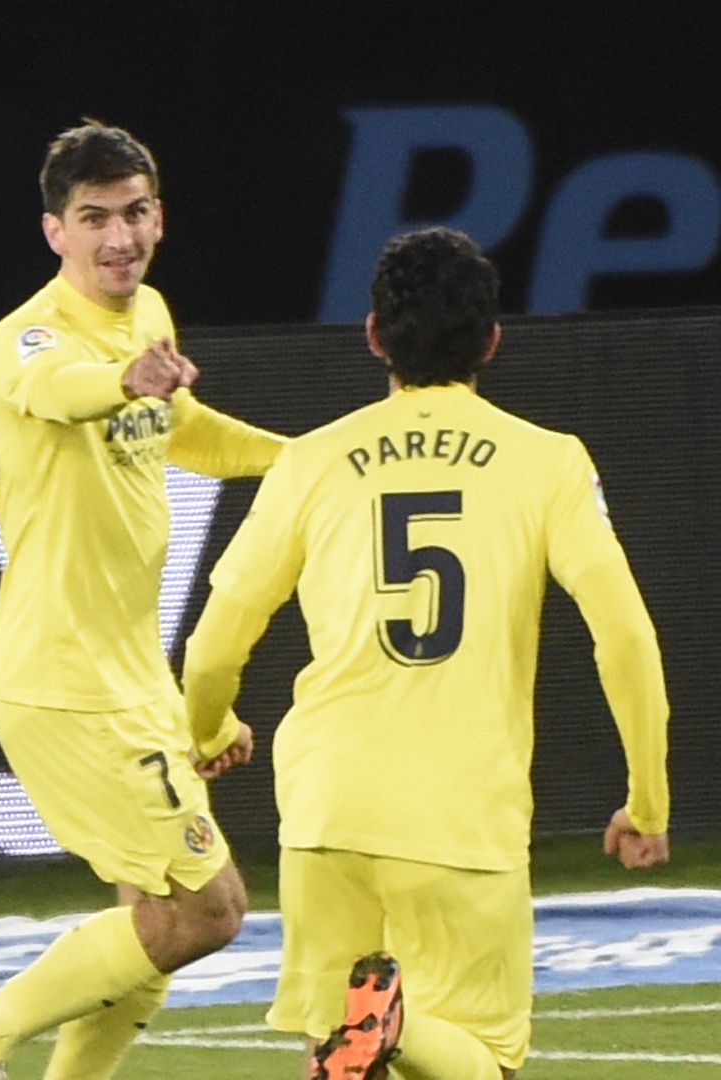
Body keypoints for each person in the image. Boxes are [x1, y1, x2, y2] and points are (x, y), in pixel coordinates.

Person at [182, 226, 670, 1079]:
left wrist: (210, 724)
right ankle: (397, 1028)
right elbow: (623, 633)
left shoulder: (310, 460)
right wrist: (648, 799)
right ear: (491, 339)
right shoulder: (549, 462)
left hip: (328, 805)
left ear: (374, 336)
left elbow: (216, 637)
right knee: (482, 1060)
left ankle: (377, 1027)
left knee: (334, 1045)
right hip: (460, 811)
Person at [0, 120, 287, 1080]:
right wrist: (122, 377)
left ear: (158, 214)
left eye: (135, 213)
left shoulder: (150, 310)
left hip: (131, 676)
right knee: (210, 911)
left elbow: (184, 427)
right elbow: (64, 390)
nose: (120, 238)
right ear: (55, 232)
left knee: (151, 921)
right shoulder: (27, 338)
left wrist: (311, 463)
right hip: (65, 681)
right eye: (95, 219)